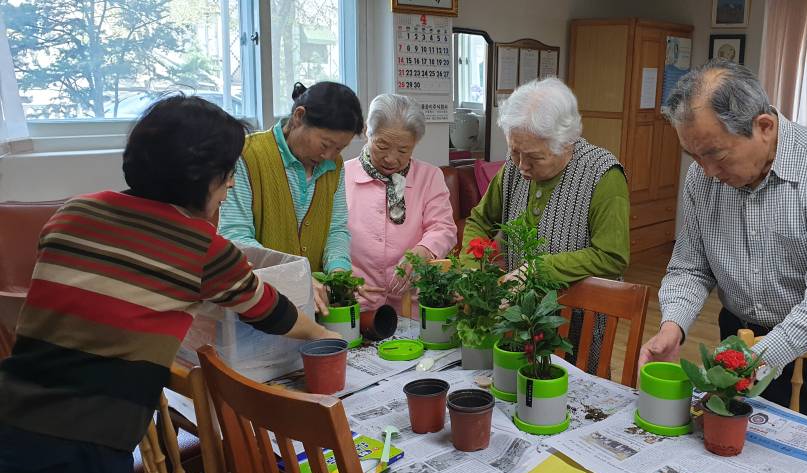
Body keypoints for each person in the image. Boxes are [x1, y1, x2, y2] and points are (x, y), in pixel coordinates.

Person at [0, 96, 341, 473]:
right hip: (88, 439)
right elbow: (269, 311)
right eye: (228, 172)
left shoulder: (73, 213)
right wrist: (321, 335)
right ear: (200, 176)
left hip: (14, 409)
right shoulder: (201, 249)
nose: (232, 183)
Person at [638, 59, 807, 431]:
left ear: (763, 126)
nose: (706, 170)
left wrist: (758, 357)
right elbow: (690, 267)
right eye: (694, 156)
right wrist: (673, 326)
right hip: (740, 336)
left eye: (716, 154)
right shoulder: (703, 177)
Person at [463, 77, 630, 369]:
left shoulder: (602, 174)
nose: (521, 166)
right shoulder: (515, 167)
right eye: (514, 152)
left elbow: (612, 255)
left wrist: (539, 270)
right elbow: (479, 220)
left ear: (566, 144)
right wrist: (471, 269)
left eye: (534, 158)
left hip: (575, 321)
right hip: (516, 319)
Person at [219, 81, 364, 315]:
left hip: (314, 306)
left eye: (340, 149)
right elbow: (236, 236)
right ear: (298, 116)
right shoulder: (247, 155)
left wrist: (339, 272)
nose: (329, 156)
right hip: (260, 303)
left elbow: (335, 229)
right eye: (325, 144)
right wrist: (294, 278)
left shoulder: (333, 166)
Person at [344, 94, 457, 314]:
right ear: (368, 132)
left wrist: (422, 252)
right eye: (382, 146)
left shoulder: (429, 176)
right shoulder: (341, 176)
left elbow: (443, 228)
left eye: (403, 151)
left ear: (415, 143)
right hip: (356, 298)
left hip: (412, 300)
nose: (391, 159)